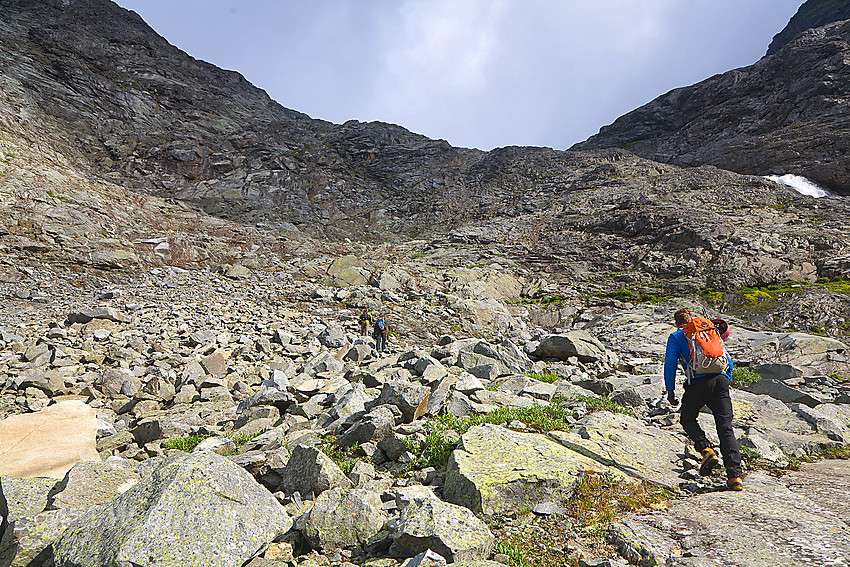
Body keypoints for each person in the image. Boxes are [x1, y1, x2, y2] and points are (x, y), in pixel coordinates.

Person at [664, 308, 743, 491]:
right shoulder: (708, 332)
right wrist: (725, 380)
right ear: (691, 320)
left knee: (687, 418)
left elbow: (670, 362)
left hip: (698, 384)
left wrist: (670, 390)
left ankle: (706, 450)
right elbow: (728, 361)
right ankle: (735, 477)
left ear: (676, 323)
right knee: (725, 427)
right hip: (721, 380)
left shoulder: (677, 336)